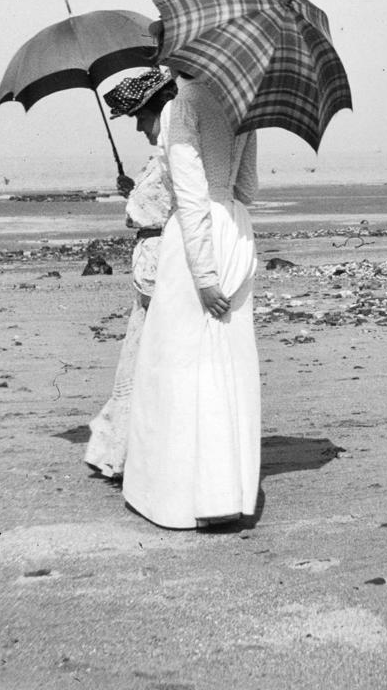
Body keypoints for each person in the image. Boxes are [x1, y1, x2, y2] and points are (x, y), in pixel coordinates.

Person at [121, 62, 262, 528]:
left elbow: (190, 192)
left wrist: (202, 273)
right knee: (228, 367)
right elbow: (247, 188)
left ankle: (184, 499)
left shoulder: (184, 104)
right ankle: (228, 492)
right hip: (234, 230)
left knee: (178, 365)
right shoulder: (244, 99)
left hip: (195, 238)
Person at [84, 70, 176, 479]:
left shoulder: (172, 154)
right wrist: (133, 190)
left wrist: (135, 199)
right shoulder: (163, 156)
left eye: (140, 117)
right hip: (154, 264)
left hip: (161, 265)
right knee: (141, 356)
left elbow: (155, 209)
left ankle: (135, 453)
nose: (138, 126)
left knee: (148, 358)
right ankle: (127, 451)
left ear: (155, 110)